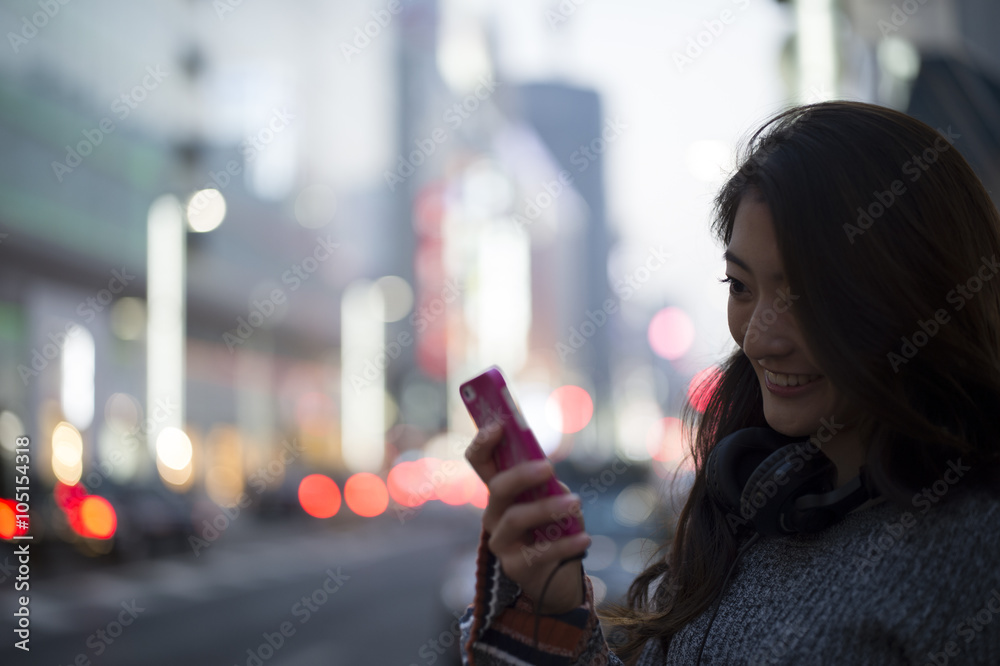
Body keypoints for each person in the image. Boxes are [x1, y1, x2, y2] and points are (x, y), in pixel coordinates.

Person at [458, 100, 1000, 665]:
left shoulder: (974, 550)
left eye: (807, 295)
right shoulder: (744, 518)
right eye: (740, 287)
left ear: (916, 296)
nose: (761, 337)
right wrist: (553, 610)